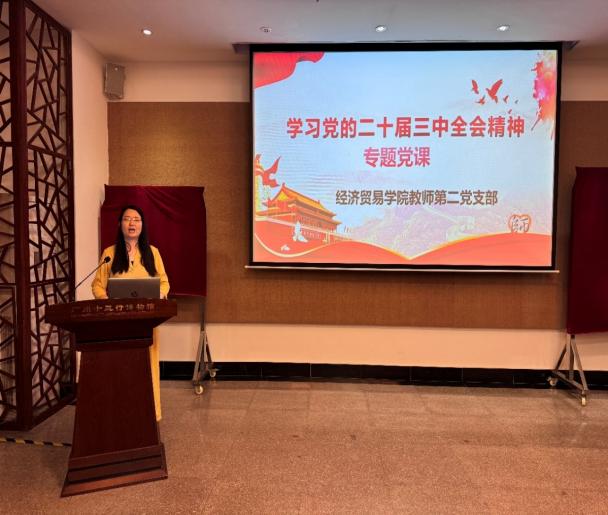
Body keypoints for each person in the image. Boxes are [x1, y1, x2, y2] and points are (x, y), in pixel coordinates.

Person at [91, 205, 170, 421]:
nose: (132, 223)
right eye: (127, 219)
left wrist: (160, 294)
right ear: (120, 224)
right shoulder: (109, 254)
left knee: (147, 367)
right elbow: (97, 285)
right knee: (120, 368)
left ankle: (149, 414)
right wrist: (106, 302)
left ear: (142, 225)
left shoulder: (152, 252)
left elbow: (164, 282)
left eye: (136, 219)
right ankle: (120, 415)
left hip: (146, 322)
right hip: (118, 323)